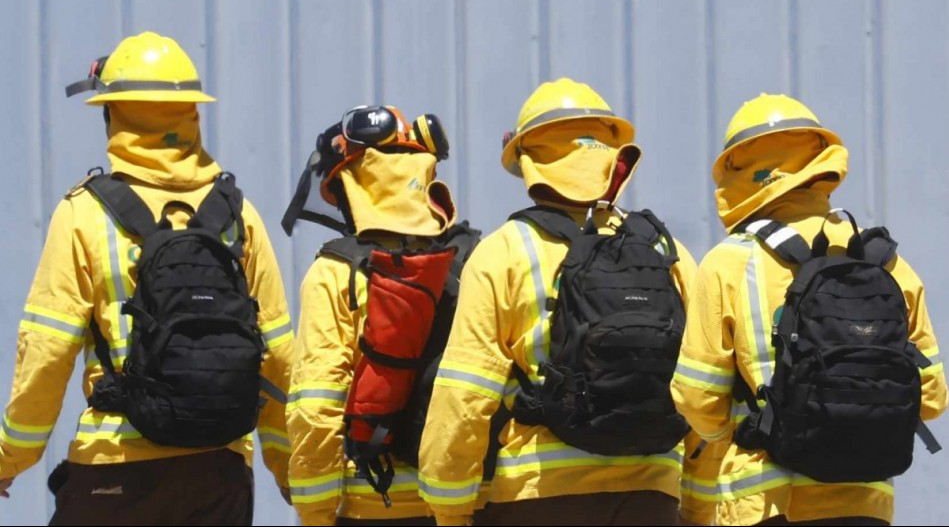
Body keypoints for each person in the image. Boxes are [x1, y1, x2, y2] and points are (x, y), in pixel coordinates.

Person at [0, 31, 295, 525]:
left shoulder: (85, 214)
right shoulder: (238, 216)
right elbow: (279, 355)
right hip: (219, 470)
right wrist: (288, 468)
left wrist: (10, 458)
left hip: (116, 468)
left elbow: (48, 350)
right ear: (191, 113)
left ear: (113, 115)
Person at [418, 77, 699, 526]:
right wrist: (697, 506)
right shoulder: (668, 251)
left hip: (538, 496)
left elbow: (464, 397)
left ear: (528, 161)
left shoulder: (505, 251)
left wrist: (450, 507)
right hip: (652, 496)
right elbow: (703, 392)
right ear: (613, 156)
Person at [671, 93, 948, 526]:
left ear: (740, 171)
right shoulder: (886, 261)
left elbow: (696, 397)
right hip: (864, 504)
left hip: (766, 503)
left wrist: (746, 432)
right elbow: (931, 399)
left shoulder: (730, 261)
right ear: (820, 161)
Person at [284, 105, 480, 526]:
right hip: (462, 503)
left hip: (371, 503)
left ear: (349, 186)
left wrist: (316, 513)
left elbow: (316, 406)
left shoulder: (336, 272)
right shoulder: (473, 262)